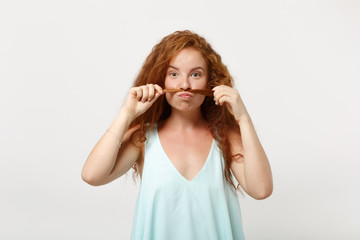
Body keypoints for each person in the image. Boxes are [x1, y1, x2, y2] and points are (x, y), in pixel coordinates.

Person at [81, 30, 273, 240]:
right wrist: (126, 115)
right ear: (160, 80)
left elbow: (261, 190)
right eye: (174, 74)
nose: (185, 84)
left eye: (195, 74)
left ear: (211, 82)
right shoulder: (142, 138)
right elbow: (92, 175)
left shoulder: (227, 137)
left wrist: (243, 118)